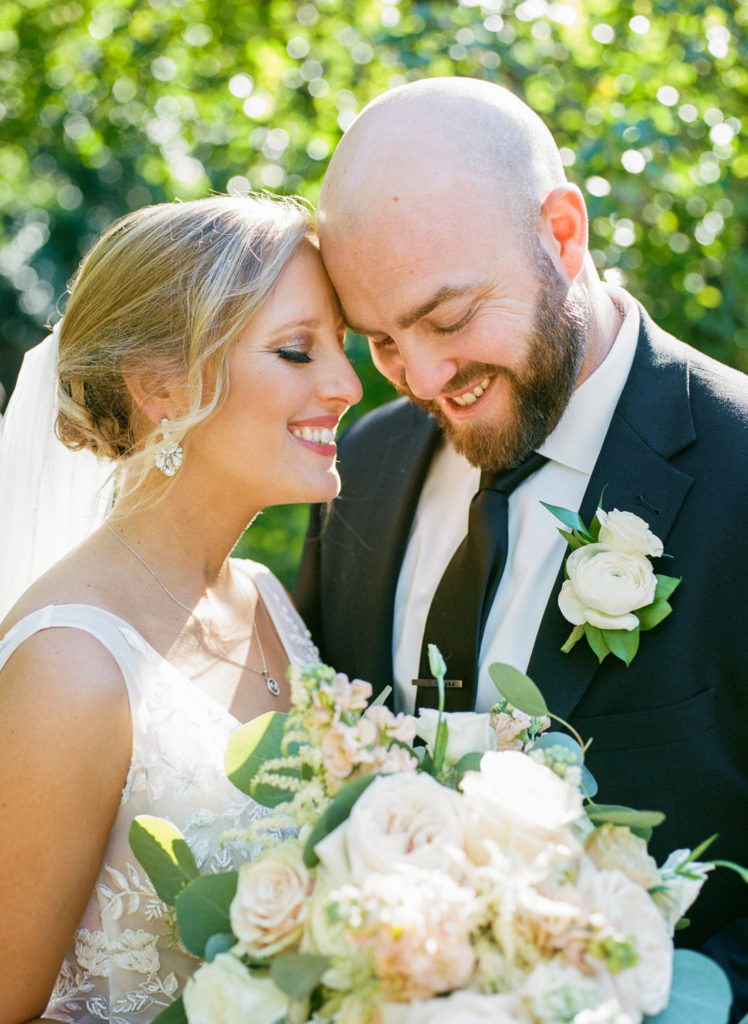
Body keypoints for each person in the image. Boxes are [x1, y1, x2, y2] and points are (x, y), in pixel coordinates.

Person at [294, 77, 748, 1016]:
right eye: (381, 341)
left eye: (450, 319)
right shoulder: (359, 472)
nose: (422, 377)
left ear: (563, 233)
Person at [0, 194, 362, 1022]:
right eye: (298, 350)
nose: (346, 383)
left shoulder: (270, 603)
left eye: (339, 347)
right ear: (161, 386)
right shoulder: (71, 665)